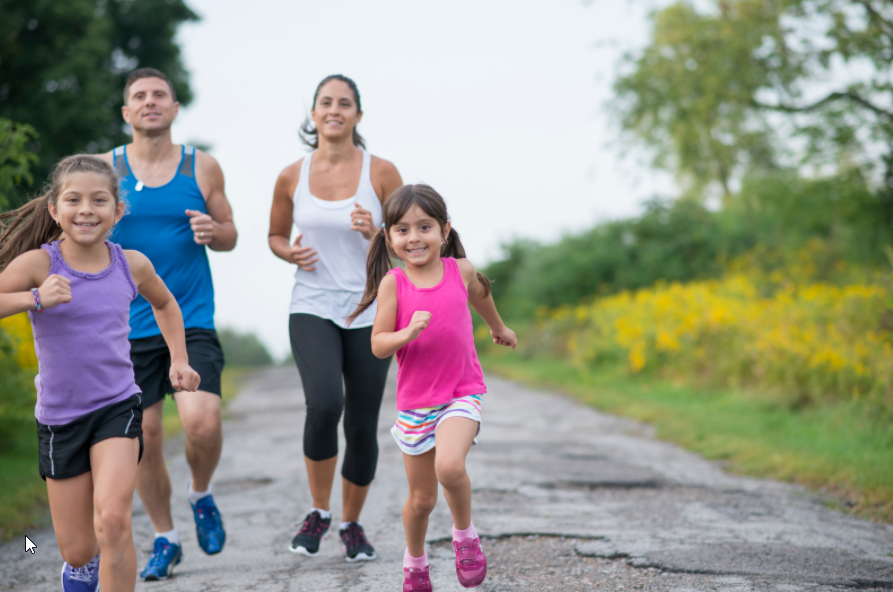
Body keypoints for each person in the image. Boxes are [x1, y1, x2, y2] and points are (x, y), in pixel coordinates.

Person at [0, 155, 200, 592]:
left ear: (117, 211)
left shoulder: (132, 264)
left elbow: (166, 303)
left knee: (112, 520)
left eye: (99, 200)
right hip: (60, 417)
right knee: (77, 548)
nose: (86, 209)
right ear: (55, 210)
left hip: (117, 405)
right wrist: (35, 297)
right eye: (73, 200)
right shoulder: (39, 265)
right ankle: (81, 567)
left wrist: (179, 360)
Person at [97, 67, 238, 580]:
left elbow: (231, 234)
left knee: (202, 421)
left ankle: (200, 493)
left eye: (160, 94)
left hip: (189, 317)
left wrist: (214, 230)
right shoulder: (105, 168)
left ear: (175, 108)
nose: (150, 101)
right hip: (125, 326)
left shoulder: (202, 167)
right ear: (126, 112)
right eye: (139, 96)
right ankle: (165, 537)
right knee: (146, 435)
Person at [347, 184, 517, 591]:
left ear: (445, 230)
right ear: (388, 237)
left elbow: (481, 293)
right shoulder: (394, 284)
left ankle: (465, 537)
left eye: (425, 227)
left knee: (450, 467)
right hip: (416, 405)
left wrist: (498, 327)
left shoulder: (461, 270)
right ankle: (416, 562)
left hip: (462, 393)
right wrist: (406, 333)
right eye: (402, 230)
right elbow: (378, 344)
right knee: (422, 499)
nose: (414, 237)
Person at [267, 74, 403, 561]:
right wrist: (288, 253)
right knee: (325, 404)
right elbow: (275, 236)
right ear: (313, 113)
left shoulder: (382, 172)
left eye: (345, 104)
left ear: (358, 115)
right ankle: (319, 512)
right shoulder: (291, 175)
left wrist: (377, 233)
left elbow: (409, 243)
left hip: (371, 309)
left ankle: (352, 524)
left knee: (362, 424)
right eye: (325, 102)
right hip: (313, 305)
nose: (334, 110)